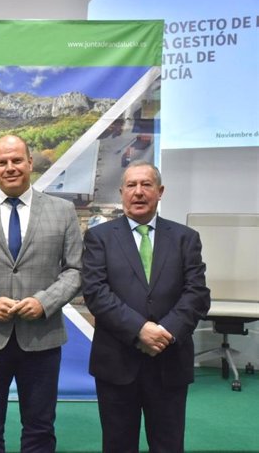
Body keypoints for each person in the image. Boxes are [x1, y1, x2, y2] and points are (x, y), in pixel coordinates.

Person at [0, 134, 82, 453]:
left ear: (30, 163)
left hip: (42, 338)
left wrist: (44, 301)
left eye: (16, 160)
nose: (10, 167)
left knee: (40, 429)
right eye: (2, 162)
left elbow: (76, 270)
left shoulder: (63, 211)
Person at [81, 160, 210, 453]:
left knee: (168, 444)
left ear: (160, 191)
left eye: (146, 185)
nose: (138, 192)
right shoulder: (99, 238)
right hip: (116, 363)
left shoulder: (185, 238)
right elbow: (96, 293)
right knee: (117, 445)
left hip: (169, 361)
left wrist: (164, 331)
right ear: (122, 192)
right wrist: (140, 330)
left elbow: (197, 294)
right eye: (131, 185)